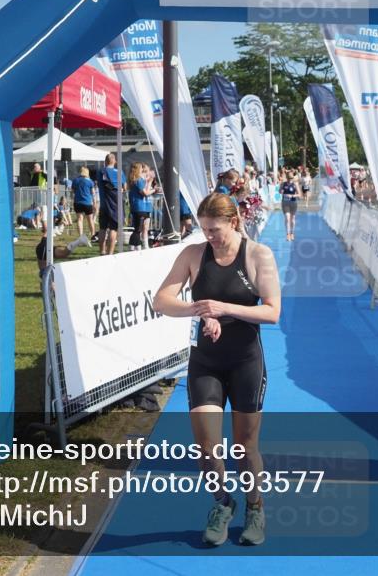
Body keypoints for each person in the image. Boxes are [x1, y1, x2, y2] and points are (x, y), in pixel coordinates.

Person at [152, 192, 281, 547]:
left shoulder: (258, 255)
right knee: (207, 447)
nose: (209, 236)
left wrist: (224, 308)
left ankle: (255, 505)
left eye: (215, 230)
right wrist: (201, 311)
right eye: (204, 229)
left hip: (246, 362)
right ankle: (222, 504)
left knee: (244, 447)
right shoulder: (194, 254)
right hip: (206, 362)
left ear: (234, 223)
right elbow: (161, 300)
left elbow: (272, 311)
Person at [97, 153, 125, 255]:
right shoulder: (119, 172)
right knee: (113, 229)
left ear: (105, 161)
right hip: (116, 205)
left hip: (104, 204)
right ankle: (110, 253)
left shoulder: (101, 171)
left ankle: (102, 251)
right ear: (115, 161)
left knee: (102, 228)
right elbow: (124, 187)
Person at [128, 162, 156, 250]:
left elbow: (146, 191)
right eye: (141, 169)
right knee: (138, 229)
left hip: (140, 207)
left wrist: (149, 182)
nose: (143, 170)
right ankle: (134, 246)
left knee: (138, 229)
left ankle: (136, 246)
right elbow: (146, 193)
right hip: (139, 207)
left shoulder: (138, 180)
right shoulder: (138, 180)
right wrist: (154, 189)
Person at [71, 166, 96, 242]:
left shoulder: (75, 180)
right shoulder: (90, 181)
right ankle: (93, 235)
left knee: (79, 219)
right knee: (90, 220)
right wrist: (94, 203)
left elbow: (72, 191)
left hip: (78, 202)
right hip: (87, 202)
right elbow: (93, 193)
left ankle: (81, 236)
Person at [280, 170, 300, 241]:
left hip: (293, 203)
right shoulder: (283, 184)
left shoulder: (295, 184)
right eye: (288, 178)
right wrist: (281, 191)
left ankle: (292, 233)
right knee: (287, 218)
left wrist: (292, 196)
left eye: (291, 178)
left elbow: (299, 194)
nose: (289, 179)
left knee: (293, 219)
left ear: (293, 178)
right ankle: (287, 234)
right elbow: (280, 191)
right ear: (287, 178)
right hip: (285, 203)